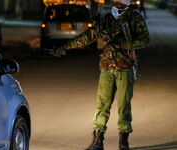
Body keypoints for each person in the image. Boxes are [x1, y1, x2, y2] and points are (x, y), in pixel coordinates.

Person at [53, 0, 150, 149]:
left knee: (124, 106)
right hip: (106, 67)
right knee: (102, 105)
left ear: (125, 3)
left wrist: (124, 44)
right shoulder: (108, 19)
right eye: (115, 1)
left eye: (119, 2)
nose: (115, 4)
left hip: (125, 67)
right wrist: (66, 46)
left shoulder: (134, 18)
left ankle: (123, 141)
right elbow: (90, 35)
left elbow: (144, 40)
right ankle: (98, 141)